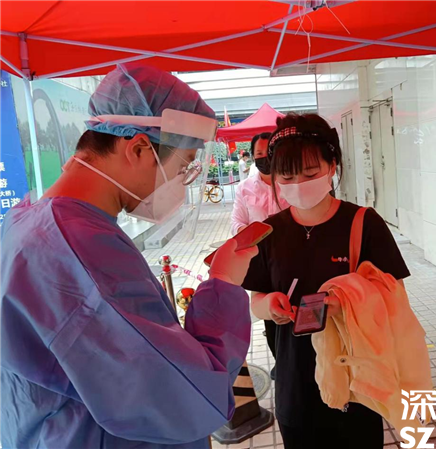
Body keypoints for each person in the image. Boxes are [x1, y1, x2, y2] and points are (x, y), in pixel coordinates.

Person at [0, 64, 257, 449]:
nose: (181, 181)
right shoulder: (80, 248)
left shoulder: (31, 221)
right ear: (138, 149)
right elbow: (184, 395)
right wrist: (222, 284)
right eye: (182, 166)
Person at [243, 113, 410, 449]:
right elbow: (255, 300)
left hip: (356, 381)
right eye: (287, 176)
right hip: (295, 384)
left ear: (332, 165)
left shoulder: (364, 223)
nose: (299, 184)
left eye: (310, 173)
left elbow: (394, 296)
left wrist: (346, 303)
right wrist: (268, 305)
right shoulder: (269, 231)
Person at [230, 132, 289, 379]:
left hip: (291, 255)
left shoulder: (290, 183)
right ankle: (280, 361)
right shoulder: (244, 188)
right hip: (261, 260)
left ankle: (297, 358)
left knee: (294, 305)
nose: (264, 158)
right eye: (259, 154)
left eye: (268, 153)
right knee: (269, 313)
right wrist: (252, 232)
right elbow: (236, 222)